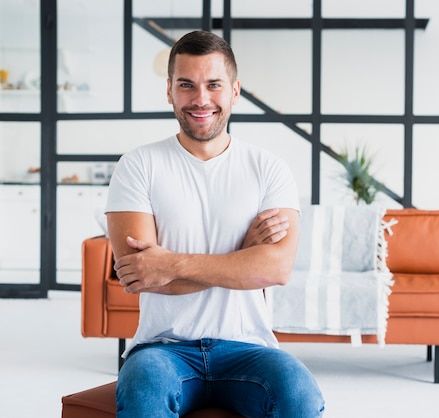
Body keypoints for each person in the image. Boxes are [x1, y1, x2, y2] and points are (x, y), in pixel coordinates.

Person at [105, 30, 325, 417]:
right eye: (186, 85)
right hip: (162, 349)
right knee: (143, 391)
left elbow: (276, 268)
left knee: (300, 395)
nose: (201, 99)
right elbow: (140, 277)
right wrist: (242, 258)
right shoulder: (138, 166)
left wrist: (169, 264)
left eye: (213, 85)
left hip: (250, 347)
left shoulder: (268, 169)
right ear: (169, 91)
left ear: (235, 91)